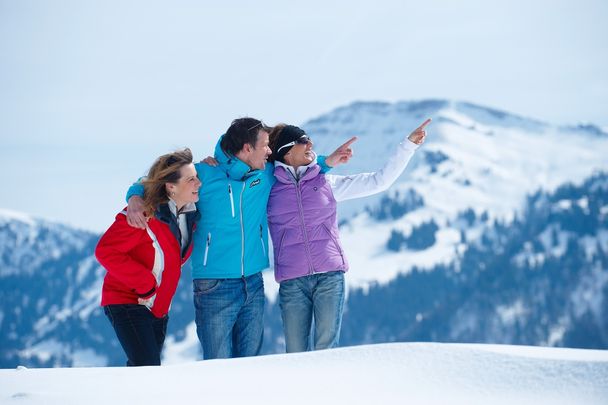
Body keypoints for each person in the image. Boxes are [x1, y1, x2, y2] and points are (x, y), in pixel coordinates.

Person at [124, 118, 353, 359]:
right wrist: (134, 198)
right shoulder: (202, 174)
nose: (269, 151)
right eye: (265, 145)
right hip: (214, 285)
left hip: (253, 284)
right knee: (218, 367)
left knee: (249, 367)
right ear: (247, 148)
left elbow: (297, 165)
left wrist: (326, 162)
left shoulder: (267, 174)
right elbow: (154, 181)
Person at [267, 119, 430, 352]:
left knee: (326, 350)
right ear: (286, 151)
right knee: (294, 352)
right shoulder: (269, 190)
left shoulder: (325, 183)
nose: (310, 143)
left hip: (329, 278)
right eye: (302, 140)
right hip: (292, 282)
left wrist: (408, 146)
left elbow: (379, 181)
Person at [96, 148, 201, 366]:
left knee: (144, 372)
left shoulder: (188, 215)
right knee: (147, 368)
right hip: (128, 301)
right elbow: (106, 251)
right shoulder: (141, 214)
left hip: (157, 308)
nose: (198, 183)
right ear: (171, 187)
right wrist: (145, 284)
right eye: (191, 179)